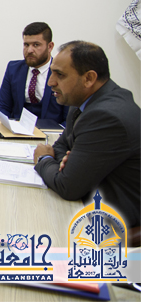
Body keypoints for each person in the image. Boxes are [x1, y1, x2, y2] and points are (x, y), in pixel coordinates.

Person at [33, 41, 140, 228]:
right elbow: (61, 145)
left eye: (60, 74)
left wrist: (43, 159)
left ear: (89, 78)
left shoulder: (106, 116)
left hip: (114, 223)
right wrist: (69, 163)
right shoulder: (85, 100)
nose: (51, 82)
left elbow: (67, 186)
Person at [0, 22, 67, 124]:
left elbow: (69, 118)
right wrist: (7, 127)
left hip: (51, 130)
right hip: (17, 129)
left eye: (36, 45)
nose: (29, 50)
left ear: (50, 46)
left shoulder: (62, 72)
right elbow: (2, 107)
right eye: (26, 45)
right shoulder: (13, 69)